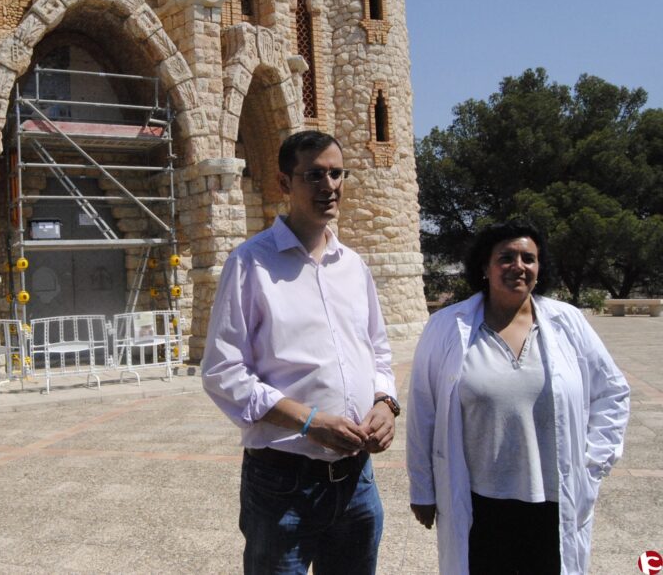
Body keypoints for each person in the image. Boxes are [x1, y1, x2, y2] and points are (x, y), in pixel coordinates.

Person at [202, 130, 400, 574]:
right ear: (284, 184)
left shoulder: (353, 266)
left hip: (357, 481)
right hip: (282, 483)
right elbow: (222, 371)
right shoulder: (250, 264)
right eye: (313, 175)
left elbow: (379, 352)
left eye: (336, 173)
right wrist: (310, 422)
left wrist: (386, 403)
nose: (329, 186)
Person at [406, 220, 630, 574]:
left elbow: (612, 391)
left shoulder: (567, 322)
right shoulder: (448, 326)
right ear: (484, 266)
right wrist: (423, 489)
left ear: (540, 268)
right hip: (478, 501)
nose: (519, 266)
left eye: (529, 258)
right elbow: (423, 410)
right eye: (506, 257)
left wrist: (592, 463)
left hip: (554, 498)